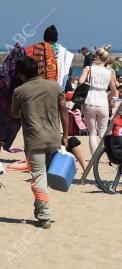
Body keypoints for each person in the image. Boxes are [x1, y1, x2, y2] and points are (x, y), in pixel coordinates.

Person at [11, 57, 69, 229]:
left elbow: (14, 114)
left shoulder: (19, 91)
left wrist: (27, 111)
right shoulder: (55, 86)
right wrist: (65, 135)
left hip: (34, 140)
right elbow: (63, 111)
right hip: (53, 138)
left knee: (39, 176)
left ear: (21, 74)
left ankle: (44, 216)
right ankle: (40, 208)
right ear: (38, 70)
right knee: (44, 177)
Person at [79, 46, 117, 155]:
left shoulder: (88, 69)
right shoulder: (109, 72)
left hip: (89, 100)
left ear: (95, 56)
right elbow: (114, 91)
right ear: (106, 58)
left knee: (92, 133)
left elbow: (81, 81)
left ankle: (94, 157)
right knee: (103, 132)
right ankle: (109, 154)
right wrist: (107, 98)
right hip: (102, 102)